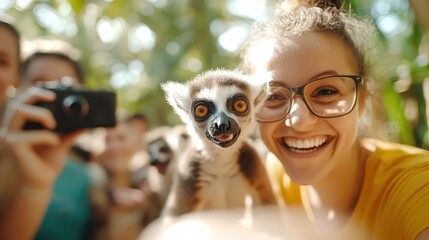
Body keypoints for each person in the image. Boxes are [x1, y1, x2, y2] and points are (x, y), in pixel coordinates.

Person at [239, 0, 429, 239]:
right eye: (273, 96)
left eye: (326, 92)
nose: (298, 120)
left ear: (362, 99)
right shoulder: (272, 177)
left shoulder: (417, 185)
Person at [2, 50, 109, 240]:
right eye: (40, 84)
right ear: (17, 87)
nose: (53, 95)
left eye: (65, 86)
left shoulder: (91, 177)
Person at [95, 116, 161, 240]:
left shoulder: (150, 184)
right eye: (107, 140)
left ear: (135, 142)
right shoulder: (90, 181)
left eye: (121, 138)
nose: (114, 147)